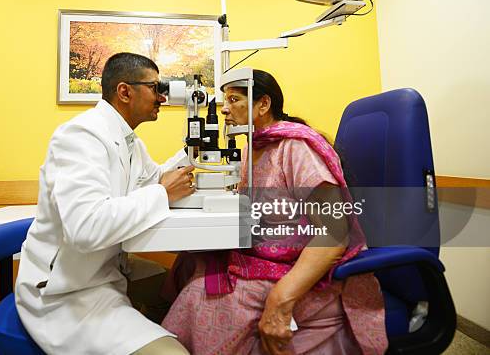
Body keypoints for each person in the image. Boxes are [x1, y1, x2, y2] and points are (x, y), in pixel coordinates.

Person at [161, 70, 388, 354]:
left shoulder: (296, 148)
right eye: (224, 100)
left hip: (305, 269)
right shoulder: (252, 147)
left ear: (263, 104)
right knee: (191, 262)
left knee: (201, 294)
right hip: (267, 253)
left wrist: (281, 298)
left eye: (233, 99)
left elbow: (334, 232)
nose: (225, 108)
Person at [15, 52, 195, 355]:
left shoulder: (129, 141)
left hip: (107, 268)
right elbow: (86, 228)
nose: (162, 98)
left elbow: (155, 178)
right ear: (125, 91)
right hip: (68, 290)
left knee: (185, 289)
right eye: (155, 87)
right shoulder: (81, 136)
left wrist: (196, 145)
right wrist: (162, 194)